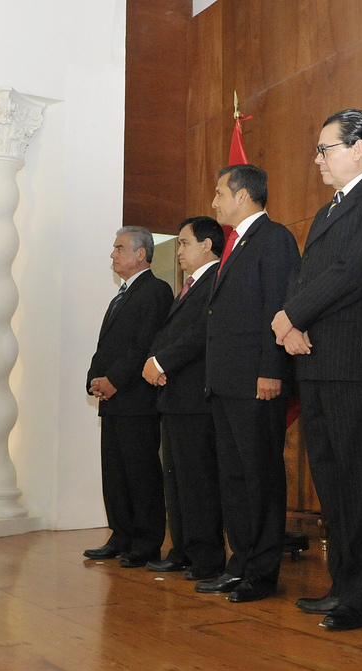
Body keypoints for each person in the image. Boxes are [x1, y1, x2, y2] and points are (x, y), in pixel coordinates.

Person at [272, 109, 362, 630]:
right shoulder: (328, 209)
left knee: (361, 482)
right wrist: (288, 326)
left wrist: (291, 316)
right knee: (332, 483)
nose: (317, 159)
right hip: (316, 363)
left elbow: (354, 271)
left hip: (356, 365)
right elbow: (306, 275)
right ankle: (342, 584)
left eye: (324, 149)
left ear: (358, 148)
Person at [197, 164, 300, 603]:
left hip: (257, 381)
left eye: (220, 193)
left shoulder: (273, 238)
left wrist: (271, 370)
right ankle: (239, 564)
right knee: (234, 478)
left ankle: (261, 572)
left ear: (242, 196)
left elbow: (277, 307)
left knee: (260, 478)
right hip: (226, 383)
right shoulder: (235, 246)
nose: (215, 202)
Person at [84, 226, 173, 568]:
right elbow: (106, 347)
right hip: (114, 400)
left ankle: (146, 542)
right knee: (116, 474)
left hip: (138, 400)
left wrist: (115, 381)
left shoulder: (156, 291)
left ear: (141, 254)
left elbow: (145, 346)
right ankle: (120, 535)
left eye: (119, 248)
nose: (112, 254)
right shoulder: (120, 295)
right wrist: (94, 380)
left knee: (141, 473)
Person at [142, 216, 225, 580]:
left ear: (207, 245)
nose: (178, 250)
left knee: (198, 481)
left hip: (196, 397)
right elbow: (171, 332)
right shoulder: (188, 286)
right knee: (175, 481)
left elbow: (200, 334)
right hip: (174, 395)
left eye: (184, 242)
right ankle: (182, 549)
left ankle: (206, 557)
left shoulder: (216, 281)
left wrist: (162, 361)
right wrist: (155, 362)